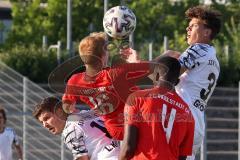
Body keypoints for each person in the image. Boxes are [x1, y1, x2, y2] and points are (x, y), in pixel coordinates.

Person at [62, 32, 165, 140]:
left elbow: (67, 106)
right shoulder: (116, 73)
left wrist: (76, 111)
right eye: (106, 50)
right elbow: (157, 71)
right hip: (139, 123)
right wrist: (136, 61)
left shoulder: (74, 81)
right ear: (102, 57)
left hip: (114, 130)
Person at [164, 5, 221, 160]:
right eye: (188, 26)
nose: (187, 29)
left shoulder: (197, 49)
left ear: (207, 32)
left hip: (181, 118)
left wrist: (163, 58)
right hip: (197, 123)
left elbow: (166, 76)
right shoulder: (213, 58)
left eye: (193, 26)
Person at [119, 56, 195, 160]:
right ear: (177, 82)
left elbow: (128, 149)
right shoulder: (188, 113)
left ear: (156, 76)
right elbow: (182, 157)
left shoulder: (137, 98)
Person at [32, 97, 120, 160]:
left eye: (46, 118)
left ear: (59, 111)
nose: (44, 125)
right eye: (41, 122)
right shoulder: (89, 113)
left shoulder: (70, 130)